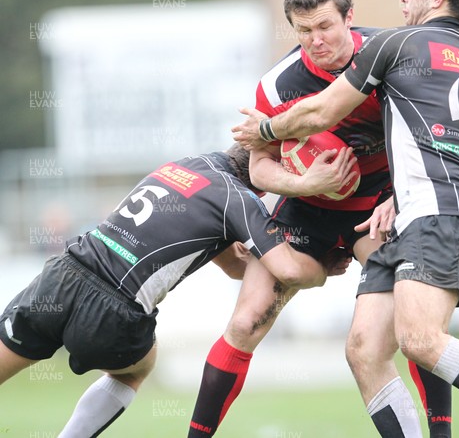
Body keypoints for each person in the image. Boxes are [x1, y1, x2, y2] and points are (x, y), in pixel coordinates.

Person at [233, 0, 459, 438]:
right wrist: (392, 192)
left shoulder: (396, 44)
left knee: (422, 340)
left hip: (439, 211)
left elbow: (321, 112)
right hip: (416, 211)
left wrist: (264, 128)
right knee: (364, 351)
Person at [190, 0, 452, 438]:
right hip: (305, 209)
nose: (316, 40)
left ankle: (439, 433)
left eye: (326, 27)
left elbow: (428, 143)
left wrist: (395, 196)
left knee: (416, 325)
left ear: (350, 18)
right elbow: (258, 170)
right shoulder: (276, 86)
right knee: (246, 321)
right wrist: (305, 180)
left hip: (377, 209)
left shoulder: (393, 59)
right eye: (304, 31)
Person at [0, 143, 353, 437]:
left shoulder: (187, 166)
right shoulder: (240, 199)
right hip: (114, 305)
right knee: (136, 369)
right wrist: (324, 268)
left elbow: (231, 264)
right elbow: (289, 270)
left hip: (63, 274)